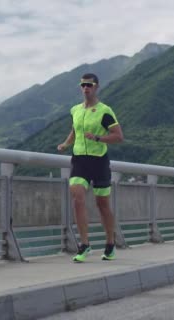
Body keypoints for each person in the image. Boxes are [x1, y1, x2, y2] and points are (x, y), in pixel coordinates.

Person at [57, 73, 124, 262]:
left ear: (96, 87)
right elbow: (74, 130)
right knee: (78, 198)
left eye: (89, 85)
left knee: (102, 205)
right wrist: (65, 144)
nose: (86, 88)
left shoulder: (104, 111)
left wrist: (98, 138)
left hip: (99, 161)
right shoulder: (75, 110)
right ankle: (84, 245)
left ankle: (110, 243)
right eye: (83, 85)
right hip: (79, 160)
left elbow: (118, 136)